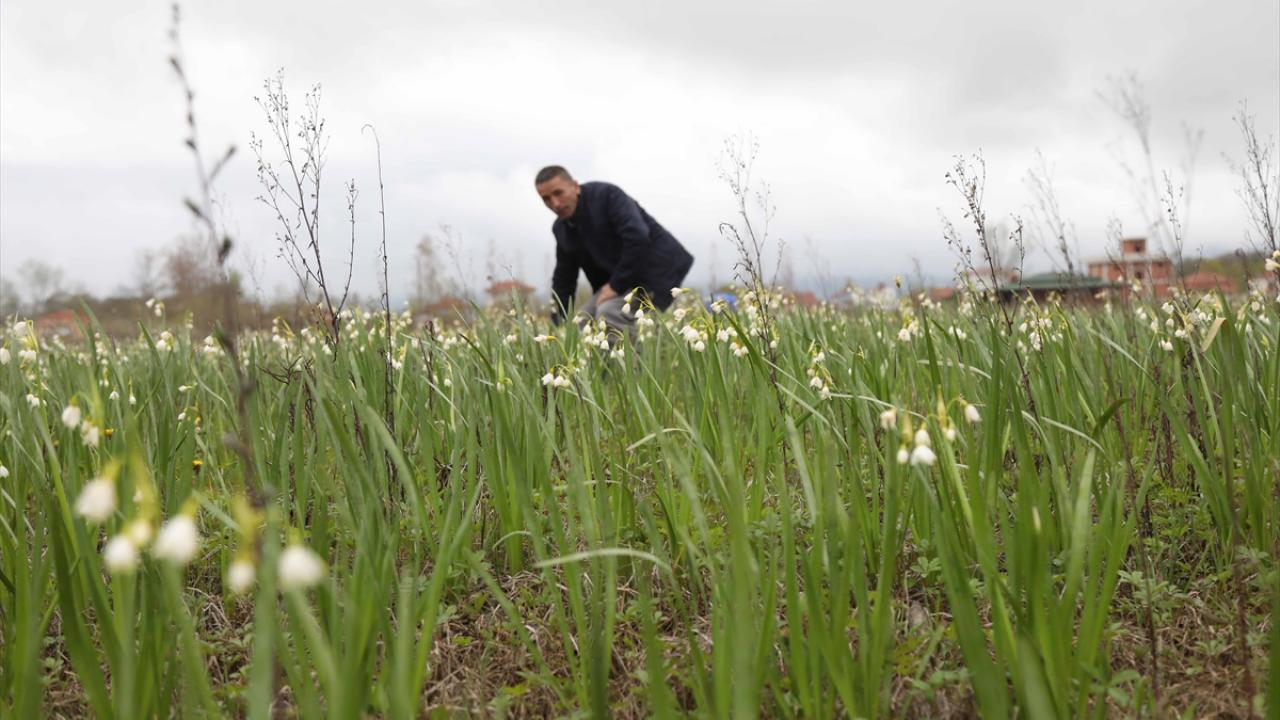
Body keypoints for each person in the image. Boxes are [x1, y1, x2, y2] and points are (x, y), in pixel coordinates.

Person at [535, 166, 694, 339]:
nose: (555, 204)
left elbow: (637, 236)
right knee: (580, 322)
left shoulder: (606, 195)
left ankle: (631, 365)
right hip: (622, 282)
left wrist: (615, 285)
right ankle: (605, 364)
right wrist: (558, 323)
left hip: (657, 272)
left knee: (609, 312)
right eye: (546, 199)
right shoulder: (562, 228)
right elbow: (564, 278)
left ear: (575, 186)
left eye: (558, 193)